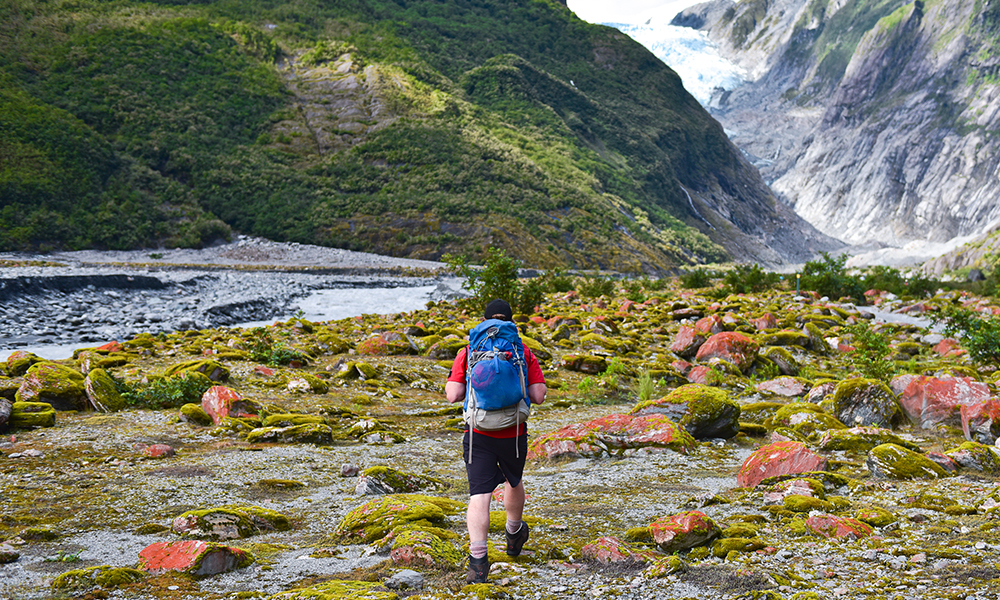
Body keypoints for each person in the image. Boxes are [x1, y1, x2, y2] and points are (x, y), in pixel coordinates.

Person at [446, 298, 547, 584]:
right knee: (513, 481)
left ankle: (478, 561)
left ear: (486, 321)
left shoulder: (469, 351)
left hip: (478, 434)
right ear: (511, 322)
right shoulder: (522, 350)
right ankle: (514, 535)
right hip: (514, 432)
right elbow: (538, 396)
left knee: (479, 494)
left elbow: (453, 395)